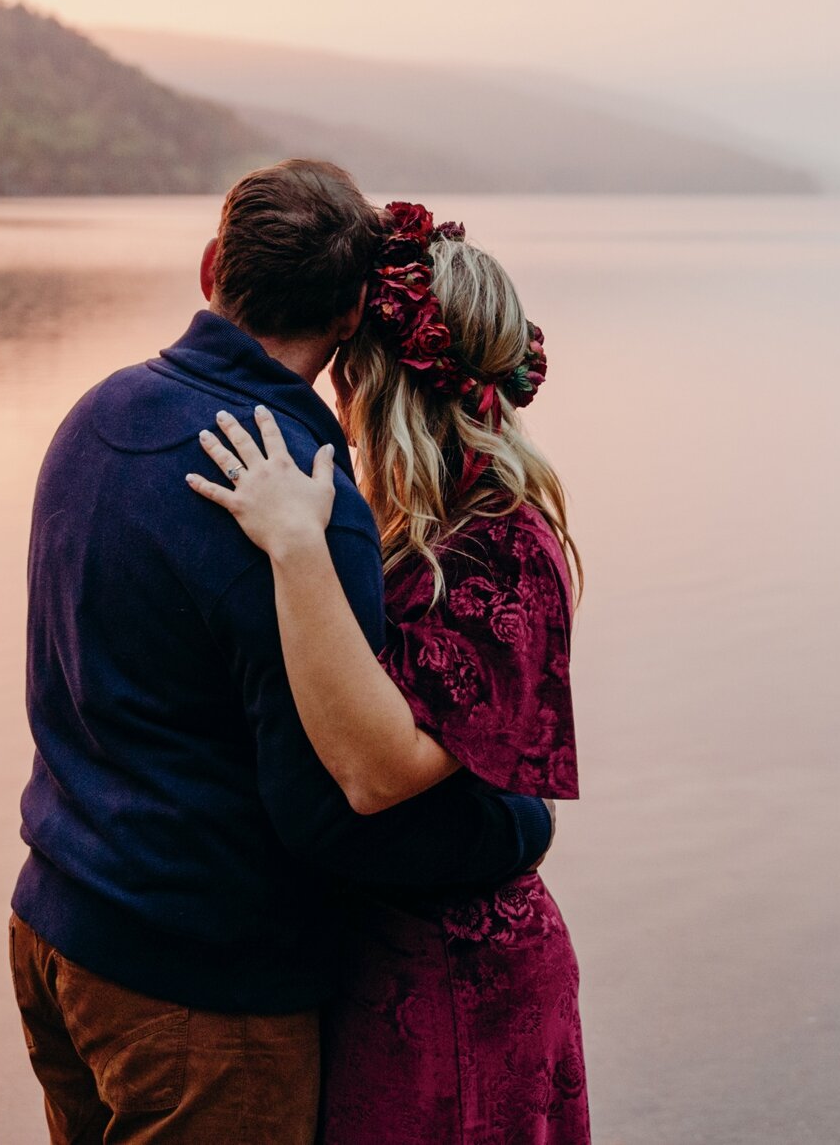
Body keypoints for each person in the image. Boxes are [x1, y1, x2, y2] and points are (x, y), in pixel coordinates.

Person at [11, 157, 556, 1145]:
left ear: (213, 263)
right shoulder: (302, 492)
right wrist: (515, 827)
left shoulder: (94, 418)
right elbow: (332, 803)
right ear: (351, 316)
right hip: (198, 985)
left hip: (56, 928)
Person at [190, 205, 587, 1145]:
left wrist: (294, 545)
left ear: (380, 382)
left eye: (344, 372)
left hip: (461, 983)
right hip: (373, 960)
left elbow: (378, 771)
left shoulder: (505, 547)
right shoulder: (411, 525)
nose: (332, 399)